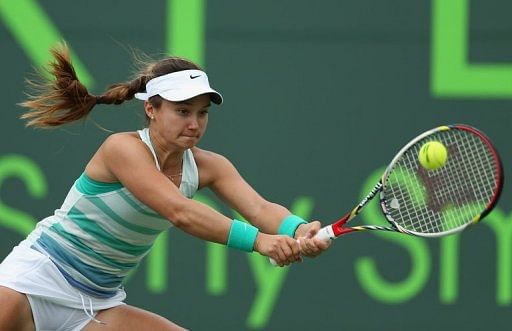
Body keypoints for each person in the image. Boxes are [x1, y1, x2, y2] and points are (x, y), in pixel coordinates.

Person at [0, 43, 331, 331]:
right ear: (151, 109)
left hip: (97, 304)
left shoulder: (209, 167)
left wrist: (299, 230)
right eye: (182, 111)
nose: (194, 124)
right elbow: (179, 211)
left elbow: (260, 208)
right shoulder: (121, 149)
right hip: (34, 281)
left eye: (202, 113)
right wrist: (260, 242)